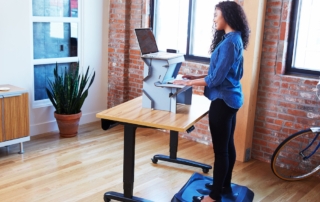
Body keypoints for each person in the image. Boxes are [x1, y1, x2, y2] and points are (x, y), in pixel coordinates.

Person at [173, 1, 250, 202]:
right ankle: (224, 185)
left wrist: (186, 84)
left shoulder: (230, 43)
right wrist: (192, 77)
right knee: (228, 146)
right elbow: (220, 74)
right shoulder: (235, 39)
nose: (214, 19)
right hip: (232, 98)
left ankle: (214, 196)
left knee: (221, 150)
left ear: (227, 16)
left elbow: (214, 80)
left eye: (217, 14)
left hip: (223, 101)